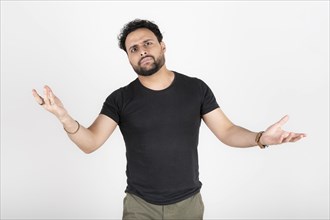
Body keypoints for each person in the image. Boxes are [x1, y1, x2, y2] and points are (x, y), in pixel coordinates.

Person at [32, 19, 306, 220]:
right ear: (129, 58)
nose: (142, 50)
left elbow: (227, 131)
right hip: (140, 206)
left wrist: (260, 138)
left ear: (162, 45)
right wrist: (64, 118)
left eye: (147, 43)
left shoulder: (196, 89)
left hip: (188, 204)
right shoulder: (120, 99)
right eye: (133, 48)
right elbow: (90, 142)